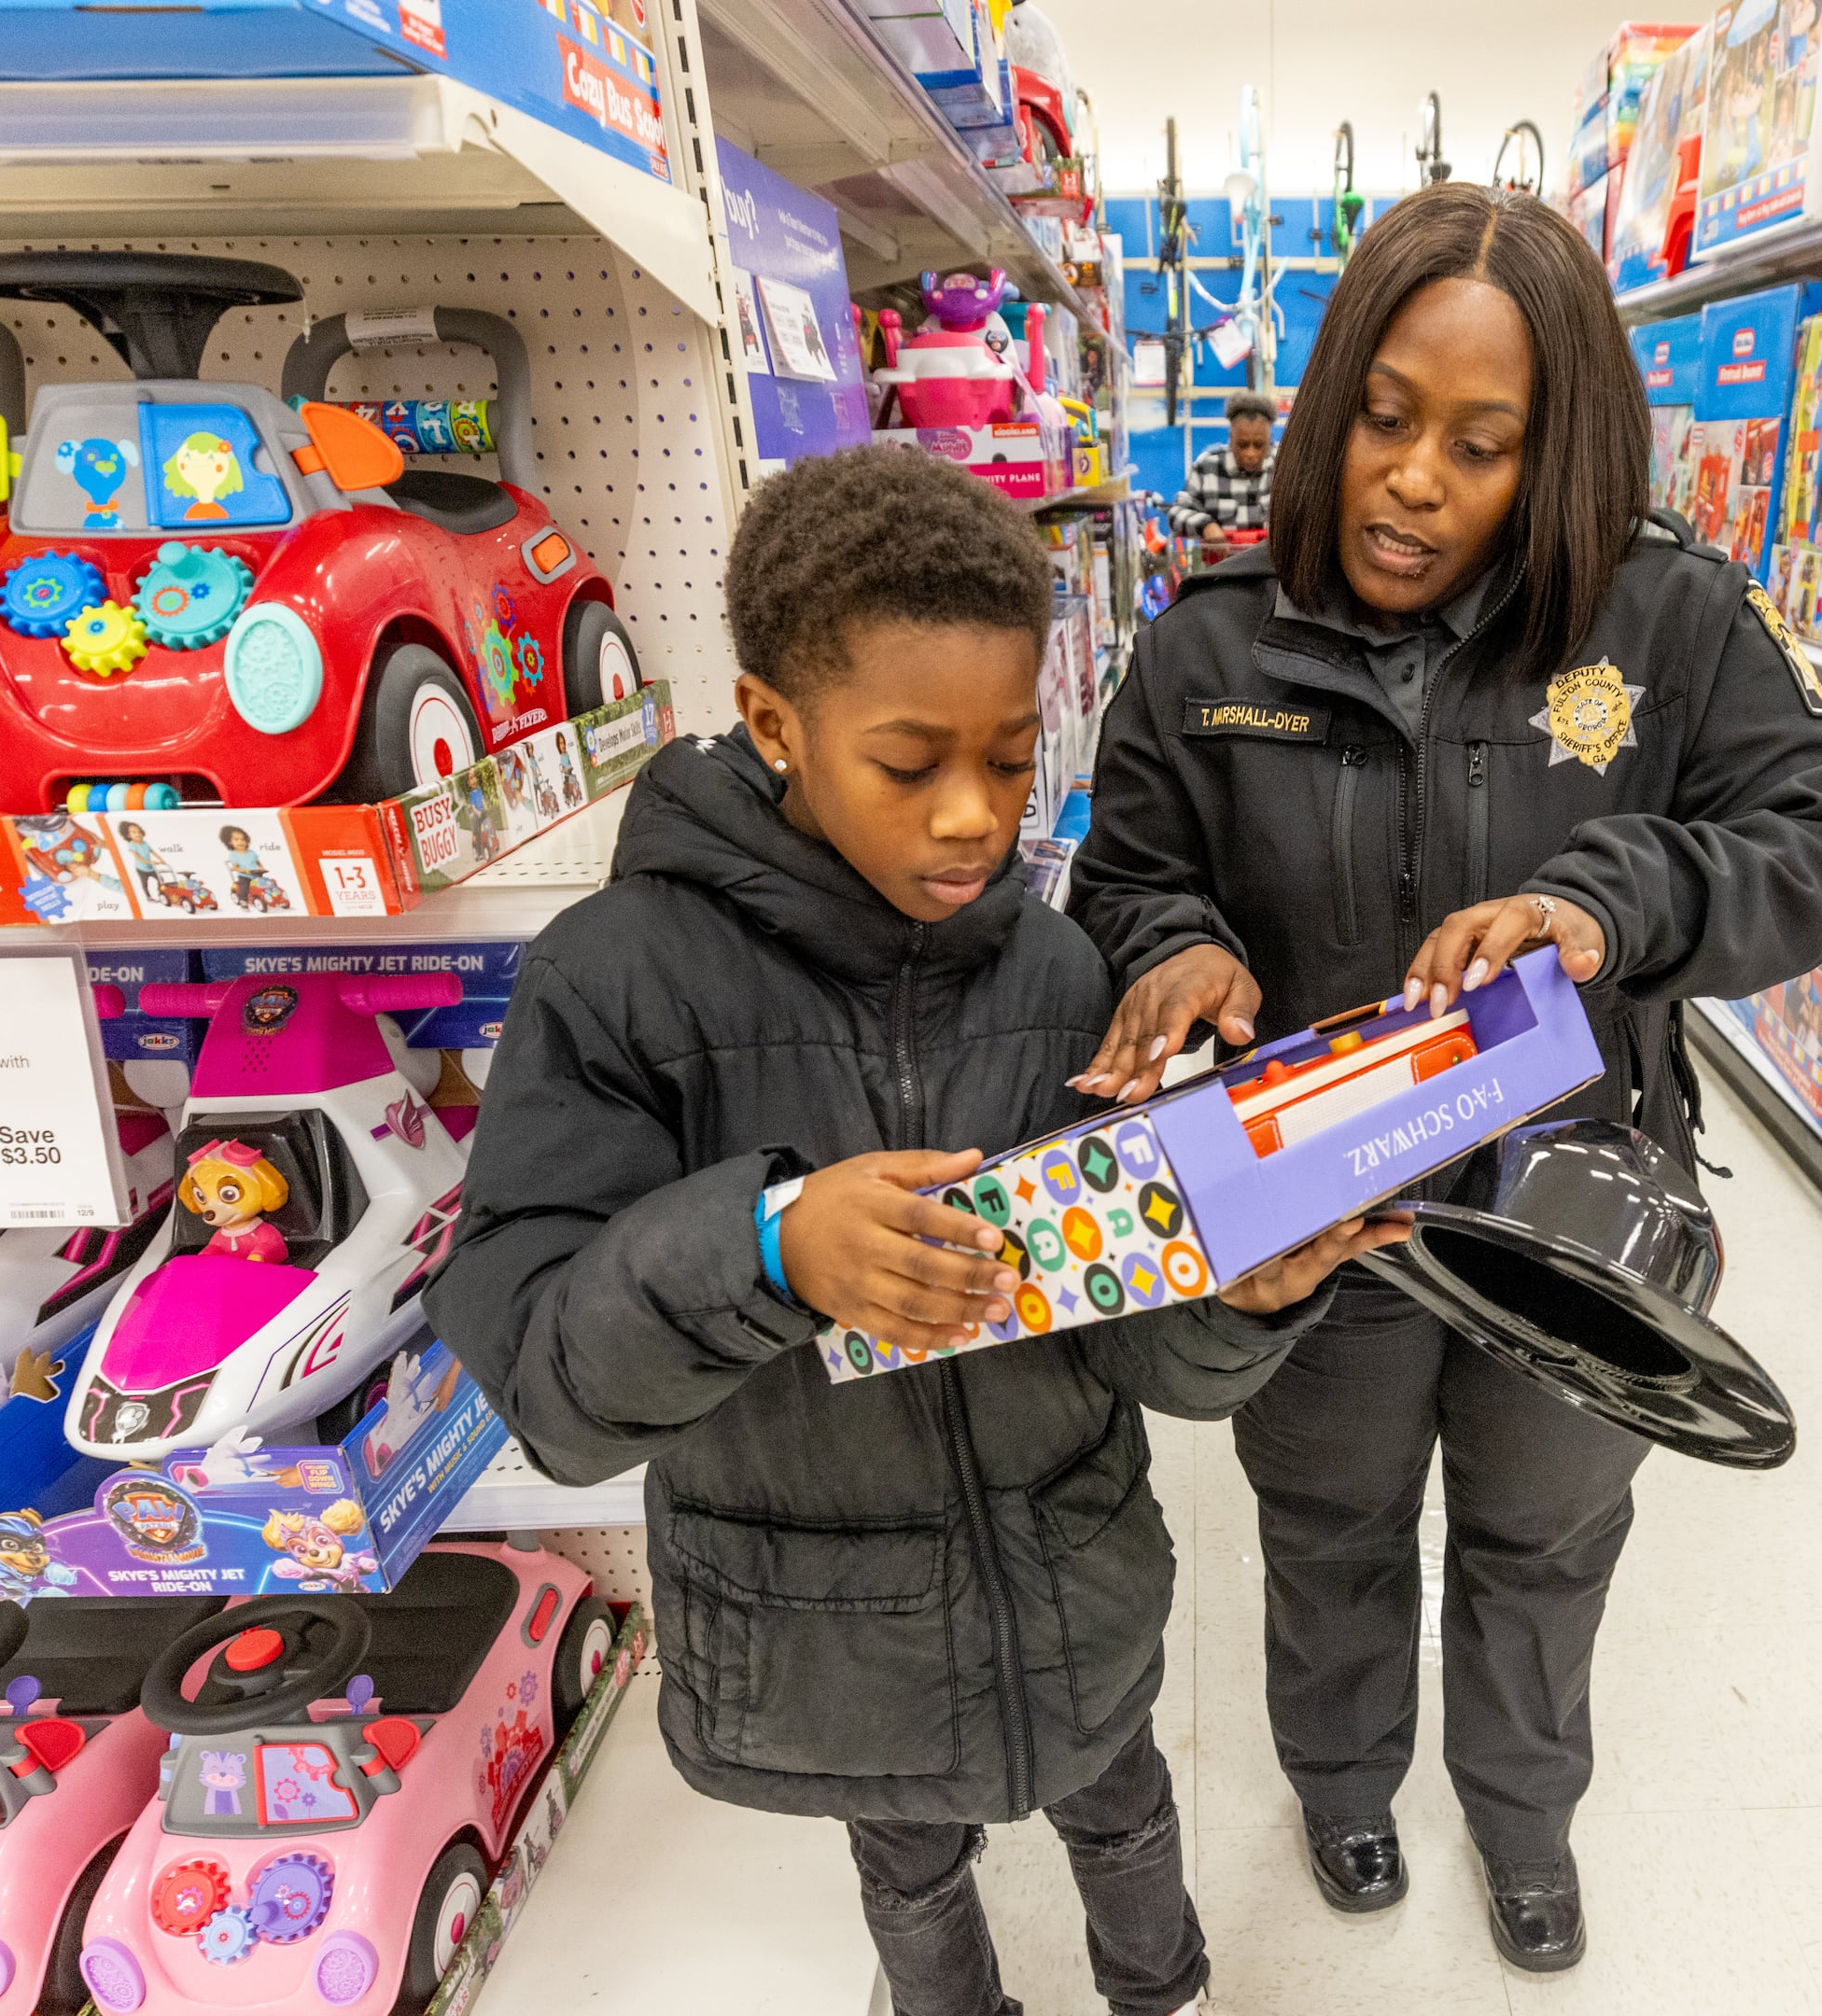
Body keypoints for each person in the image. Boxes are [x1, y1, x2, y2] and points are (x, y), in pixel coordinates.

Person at [430, 444, 1400, 2016]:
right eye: (909, 763)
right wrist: (764, 1244)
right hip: (830, 1628)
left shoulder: (1062, 980)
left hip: (1073, 1576)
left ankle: (1166, 1991)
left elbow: (1151, 1347)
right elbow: (550, 1385)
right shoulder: (614, 984)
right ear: (773, 726)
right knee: (908, 1868)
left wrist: (1248, 1289)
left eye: (1012, 761)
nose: (972, 817)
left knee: (1126, 1808)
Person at [1065, 182, 1822, 1973]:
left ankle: (1525, 1821)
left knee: (1547, 1531)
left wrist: (1613, 901)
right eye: (1382, 415)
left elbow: (1818, 843)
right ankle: (1344, 1785)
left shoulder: (1661, 624)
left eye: (1481, 442)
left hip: (1569, 1209)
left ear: (1558, 452)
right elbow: (1123, 876)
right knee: (1330, 1517)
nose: (1412, 477)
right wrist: (1169, 951)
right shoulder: (1212, 638)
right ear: (1332, 396)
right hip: (1318, 1209)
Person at [1167, 390, 1278, 544]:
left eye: (1259, 445)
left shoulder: (1284, 466)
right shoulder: (1207, 468)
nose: (1251, 453)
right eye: (1243, 444)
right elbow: (1176, 513)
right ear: (1231, 438)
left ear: (1269, 439)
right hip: (1223, 565)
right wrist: (1205, 525)